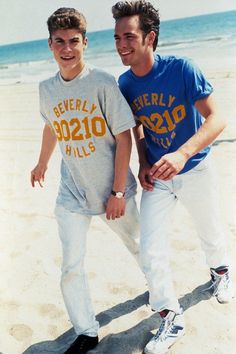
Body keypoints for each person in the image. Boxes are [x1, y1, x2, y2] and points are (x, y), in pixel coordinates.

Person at [112, 1, 234, 353]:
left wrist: (182, 154)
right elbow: (135, 127)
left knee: (210, 232)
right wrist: (144, 162)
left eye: (129, 36)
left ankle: (221, 274)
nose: (121, 44)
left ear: (149, 37)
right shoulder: (125, 83)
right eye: (118, 37)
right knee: (150, 249)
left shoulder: (182, 69)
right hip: (159, 178)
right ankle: (170, 316)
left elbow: (216, 119)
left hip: (196, 168)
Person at [30, 7, 140, 354]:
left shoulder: (103, 83)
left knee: (140, 247)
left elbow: (124, 137)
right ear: (50, 45)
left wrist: (118, 191)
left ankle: (163, 297)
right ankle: (86, 331)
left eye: (73, 41)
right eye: (59, 41)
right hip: (71, 193)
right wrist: (42, 162)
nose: (67, 48)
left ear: (85, 42)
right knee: (71, 265)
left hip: (112, 189)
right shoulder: (45, 88)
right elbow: (51, 125)